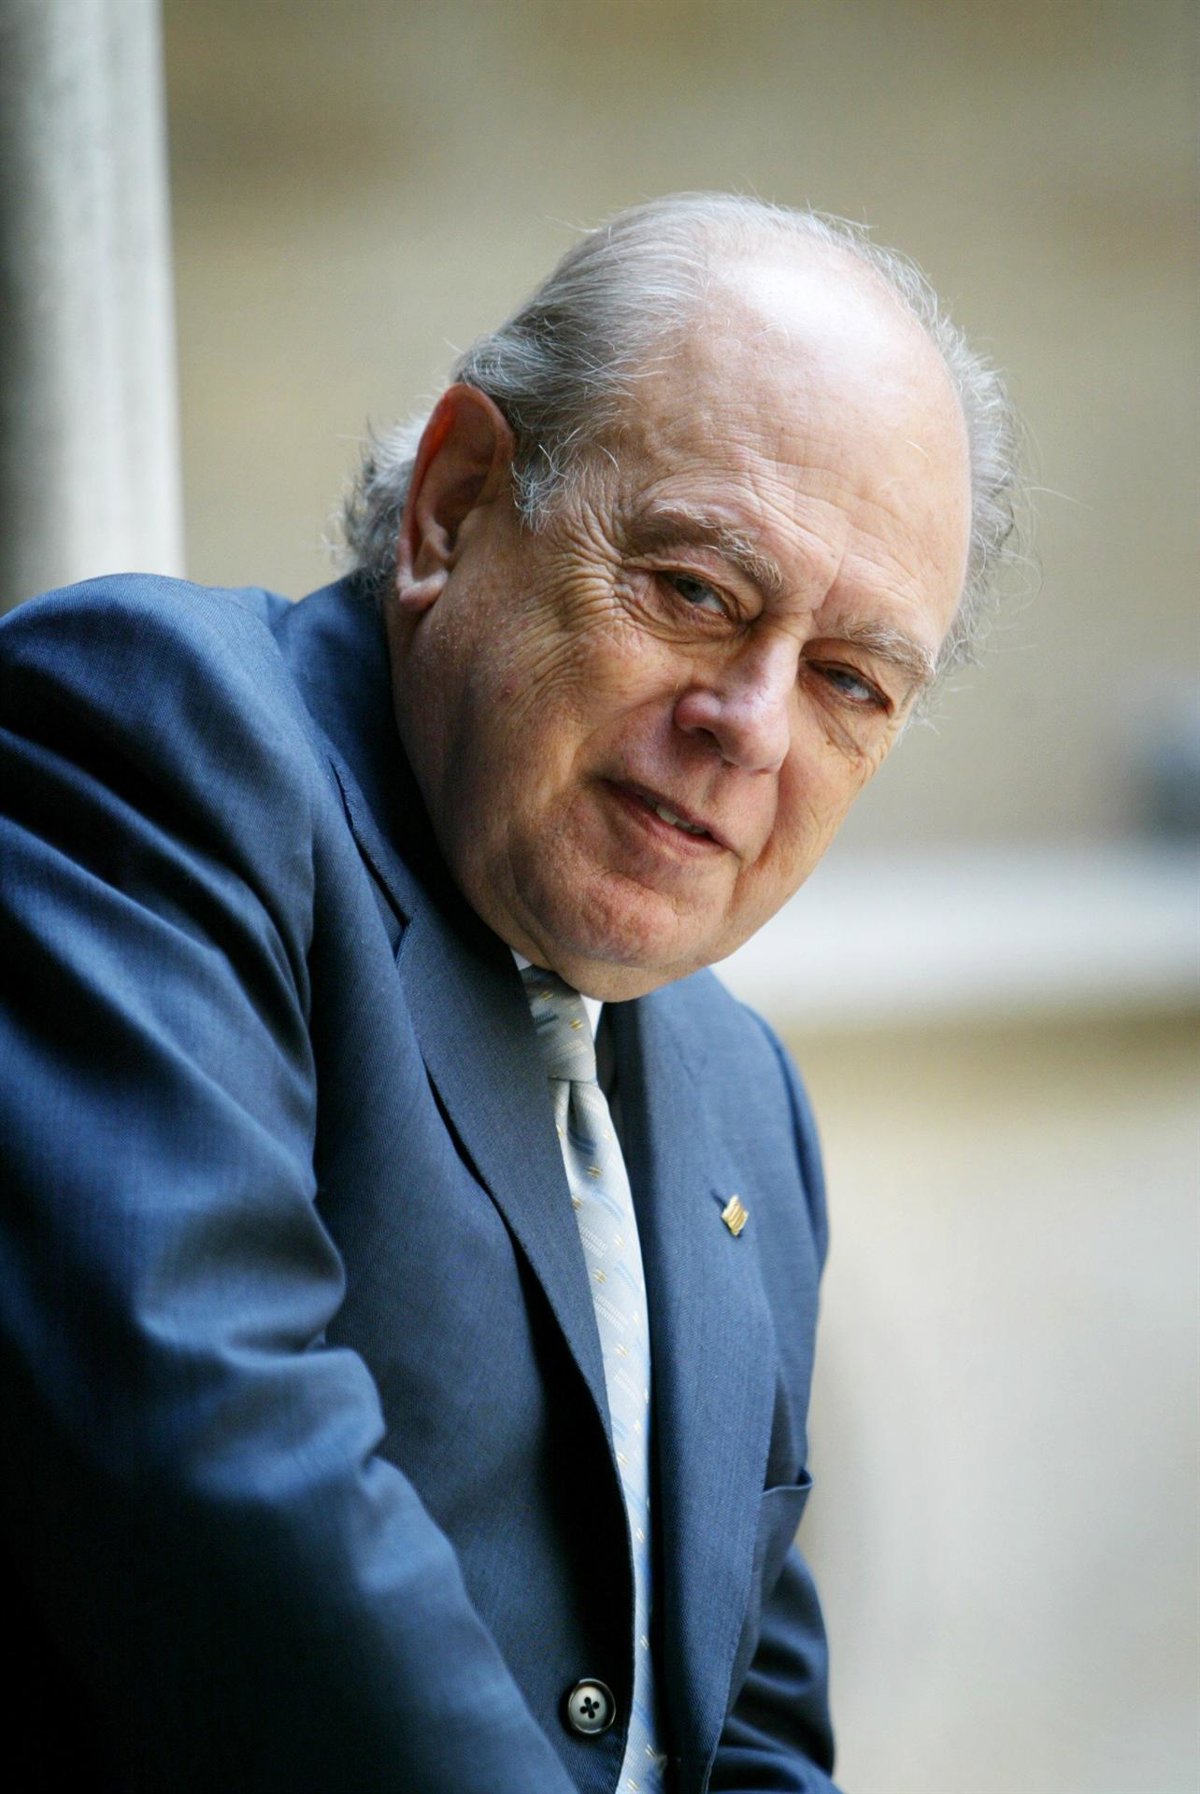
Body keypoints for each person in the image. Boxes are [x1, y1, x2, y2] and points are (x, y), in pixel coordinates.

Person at [0, 194, 1018, 1792]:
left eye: (848, 681)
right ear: (454, 504)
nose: (751, 724)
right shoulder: (160, 742)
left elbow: (753, 1716)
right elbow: (207, 1443)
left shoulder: (745, 1093)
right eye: (696, 589)